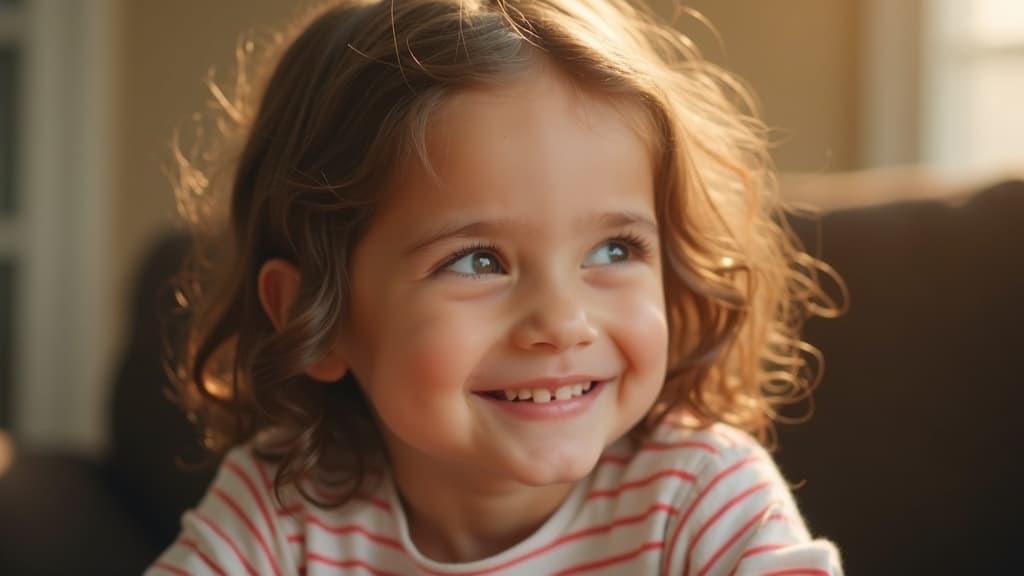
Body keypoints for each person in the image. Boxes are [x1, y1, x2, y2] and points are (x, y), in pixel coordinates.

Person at [148, 0, 844, 573]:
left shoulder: (701, 496)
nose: (564, 322)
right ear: (315, 316)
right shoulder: (282, 511)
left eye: (614, 248)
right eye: (479, 261)